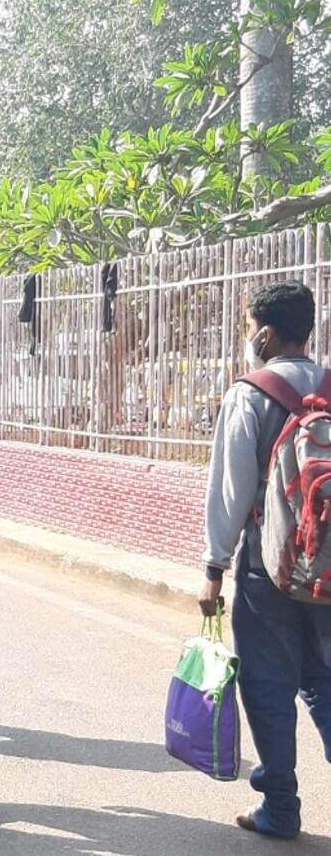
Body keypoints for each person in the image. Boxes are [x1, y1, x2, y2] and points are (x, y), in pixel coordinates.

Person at [200, 281, 331, 840]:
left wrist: (213, 566)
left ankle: (280, 808)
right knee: (325, 682)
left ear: (264, 332)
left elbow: (230, 492)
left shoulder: (249, 394)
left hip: (267, 569)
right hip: (328, 567)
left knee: (269, 687)